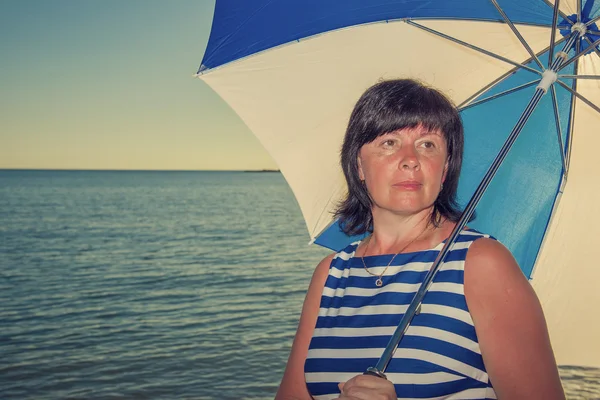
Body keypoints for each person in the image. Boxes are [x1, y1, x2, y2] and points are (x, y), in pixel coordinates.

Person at [275, 79, 565, 400]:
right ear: (359, 164)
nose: (410, 158)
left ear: (443, 171)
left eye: (427, 144)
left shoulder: (481, 264)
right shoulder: (331, 274)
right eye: (389, 142)